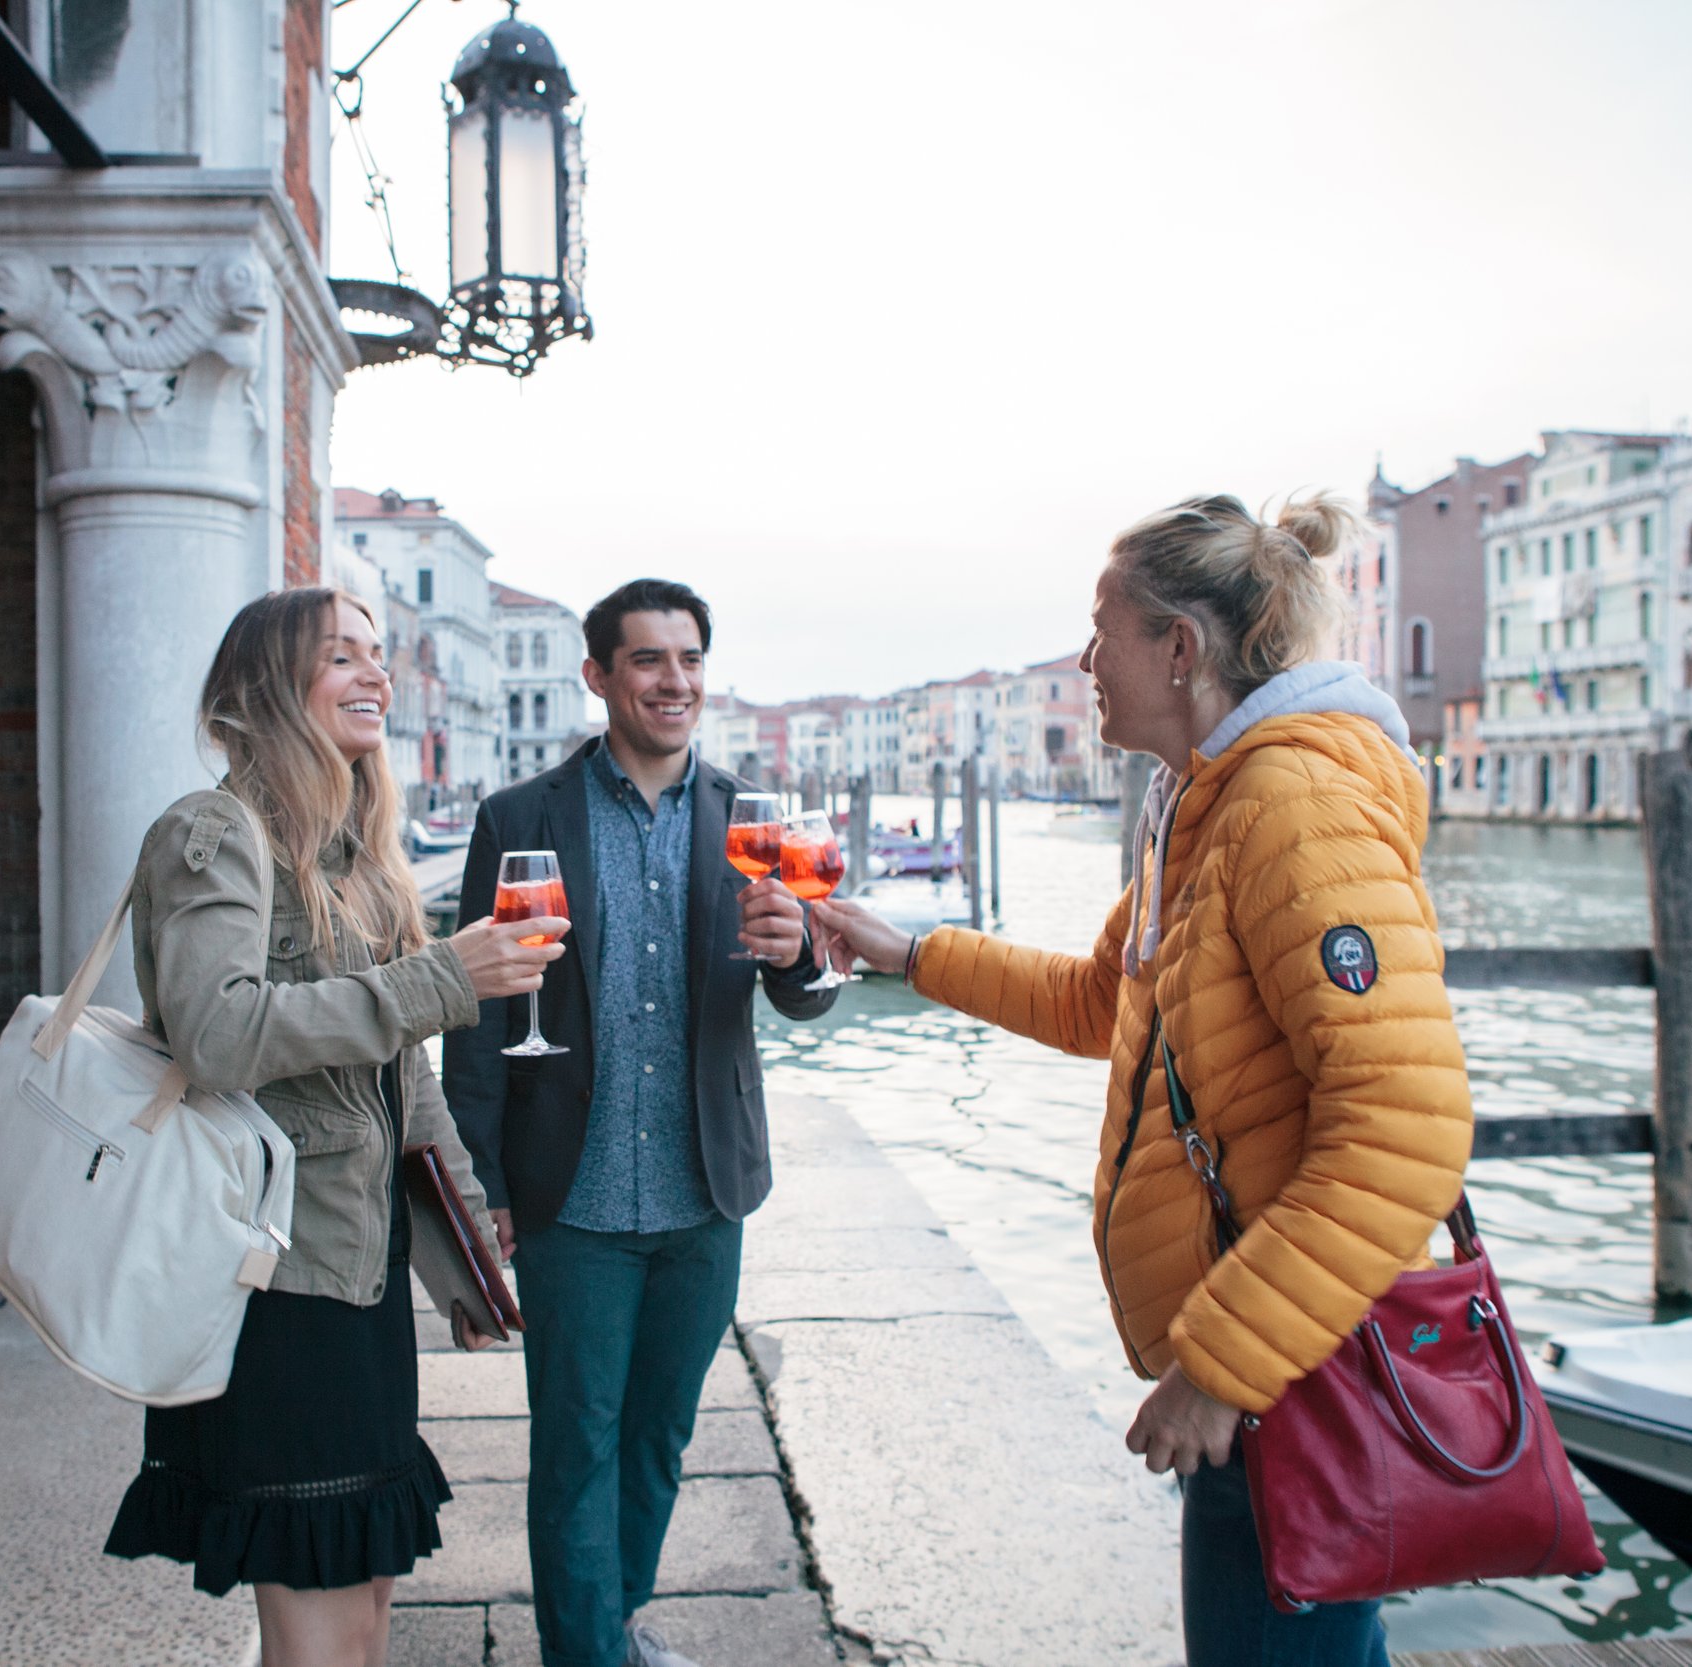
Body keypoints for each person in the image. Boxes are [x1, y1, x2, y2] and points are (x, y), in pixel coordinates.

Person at [815, 494, 1473, 1667]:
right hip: (1262, 1355)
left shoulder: (1292, 807)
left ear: (1181, 647)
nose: (1083, 661)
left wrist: (1221, 1366)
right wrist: (907, 951)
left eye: (1100, 628)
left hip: (1287, 1370)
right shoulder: (1202, 807)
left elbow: (1404, 1130)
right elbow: (1098, 1000)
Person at [105, 588, 569, 1667]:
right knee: (316, 1625)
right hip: (271, 1282)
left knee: (362, 1606)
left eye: (377, 655)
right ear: (269, 685)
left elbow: (403, 1084)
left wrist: (465, 1258)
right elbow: (215, 1034)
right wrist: (437, 975)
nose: (375, 673)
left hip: (358, 1282)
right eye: (339, 657)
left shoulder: (353, 860)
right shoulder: (211, 833)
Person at [441, 578, 840, 1667]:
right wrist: (485, 1186)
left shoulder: (750, 817)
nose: (676, 681)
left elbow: (809, 991)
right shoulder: (518, 820)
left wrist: (798, 950)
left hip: (705, 1191)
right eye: (650, 660)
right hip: (567, 1193)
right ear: (599, 676)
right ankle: (590, 1653)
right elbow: (476, 1019)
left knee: (659, 1438)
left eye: (691, 658)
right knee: (576, 1444)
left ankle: (609, 1619)